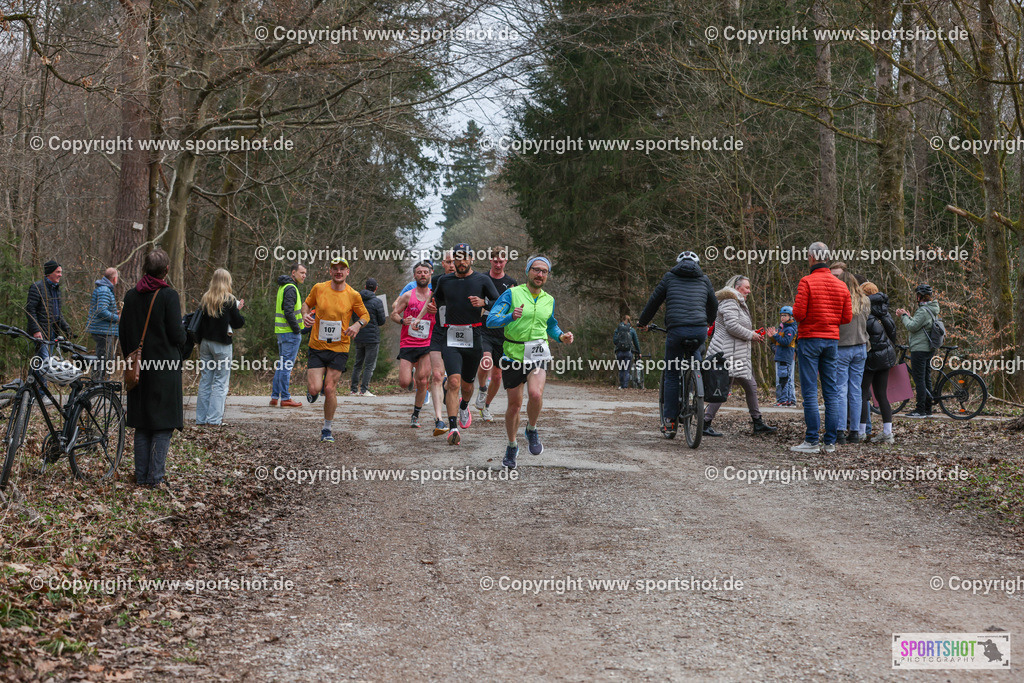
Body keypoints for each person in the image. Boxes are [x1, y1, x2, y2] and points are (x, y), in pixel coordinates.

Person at [487, 256, 573, 468]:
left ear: (547, 275)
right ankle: (512, 444)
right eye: (536, 270)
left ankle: (532, 429)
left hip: (538, 353)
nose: (540, 274)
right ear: (528, 271)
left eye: (544, 271)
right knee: (514, 405)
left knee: (535, 393)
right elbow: (491, 320)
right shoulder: (512, 294)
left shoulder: (549, 300)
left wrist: (561, 336)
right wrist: (509, 318)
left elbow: (550, 324)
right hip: (513, 355)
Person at [414, 243, 499, 445]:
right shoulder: (444, 280)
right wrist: (432, 311)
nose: (461, 262)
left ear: (471, 259)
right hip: (450, 335)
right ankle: (453, 428)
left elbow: (499, 302)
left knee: (468, 385)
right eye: (457, 258)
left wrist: (484, 303)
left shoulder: (482, 280)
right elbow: (437, 302)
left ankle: (464, 406)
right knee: (453, 381)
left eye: (464, 257)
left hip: (474, 334)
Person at [118, 249, 183, 490]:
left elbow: (123, 332)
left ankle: (142, 476)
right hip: (164, 368)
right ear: (166, 271)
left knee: (143, 423)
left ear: (145, 269)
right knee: (163, 424)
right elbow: (177, 334)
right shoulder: (169, 297)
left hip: (138, 369)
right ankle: (155, 478)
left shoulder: (131, 296)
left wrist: (132, 356)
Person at [636, 251, 717, 437]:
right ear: (697, 263)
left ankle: (670, 422)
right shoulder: (704, 279)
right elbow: (713, 306)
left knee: (672, 374)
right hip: (699, 330)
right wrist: (707, 322)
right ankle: (695, 393)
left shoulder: (670, 277)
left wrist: (642, 322)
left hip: (677, 330)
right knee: (696, 363)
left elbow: (653, 302)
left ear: (678, 263)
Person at [791, 242, 852, 453]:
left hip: (809, 339)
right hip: (832, 341)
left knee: (809, 392)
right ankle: (830, 441)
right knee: (831, 392)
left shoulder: (806, 281)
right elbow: (847, 317)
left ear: (811, 257)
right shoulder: (841, 285)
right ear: (827, 257)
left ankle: (811, 440)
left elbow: (797, 314)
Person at [302, 257, 370, 442]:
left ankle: (327, 429)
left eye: (342, 269)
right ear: (330, 272)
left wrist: (357, 325)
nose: (339, 271)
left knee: (330, 388)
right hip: (317, 345)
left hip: (340, 347)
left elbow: (365, 315)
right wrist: (305, 315)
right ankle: (313, 391)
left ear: (348, 272)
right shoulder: (319, 288)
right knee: (315, 389)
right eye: (335, 268)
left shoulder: (353, 295)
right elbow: (306, 304)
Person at [701, 275, 778, 436]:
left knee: (750, 386)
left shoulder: (737, 302)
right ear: (737, 288)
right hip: (727, 354)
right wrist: (751, 335)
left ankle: (757, 422)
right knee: (722, 390)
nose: (749, 291)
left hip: (737, 355)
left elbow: (737, 327)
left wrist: (753, 334)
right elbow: (732, 326)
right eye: (747, 288)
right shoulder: (730, 301)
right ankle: (705, 422)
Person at [195, 269, 245, 426]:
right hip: (222, 345)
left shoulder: (206, 298)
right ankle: (214, 420)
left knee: (205, 381)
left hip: (205, 344)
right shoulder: (229, 300)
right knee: (220, 382)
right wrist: (238, 310)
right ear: (227, 281)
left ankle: (201, 419)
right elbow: (238, 323)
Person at [475, 252, 517, 420]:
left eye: (501, 261)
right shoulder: (481, 279)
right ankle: (482, 388)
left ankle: (486, 406)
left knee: (498, 375)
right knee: (486, 363)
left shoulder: (511, 283)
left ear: (506, 261)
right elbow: (476, 302)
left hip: (502, 333)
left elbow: (509, 306)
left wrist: (486, 304)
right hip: (484, 329)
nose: (498, 264)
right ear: (490, 260)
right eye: (495, 261)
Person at [391, 262, 434, 427]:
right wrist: (403, 320)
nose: (422, 275)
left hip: (427, 343)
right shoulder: (408, 295)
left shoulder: (434, 296)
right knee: (404, 382)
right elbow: (394, 314)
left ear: (430, 274)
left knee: (423, 381)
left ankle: (416, 414)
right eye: (419, 272)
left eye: (425, 272)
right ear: (414, 276)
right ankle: (413, 370)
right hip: (408, 342)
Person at [860, 282, 898, 443]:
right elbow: (893, 333)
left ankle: (861, 431)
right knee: (882, 394)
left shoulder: (865, 312)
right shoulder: (884, 311)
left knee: (862, 394)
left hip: (871, 357)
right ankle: (887, 432)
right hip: (885, 356)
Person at [834, 270, 869, 443]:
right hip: (861, 346)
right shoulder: (865, 300)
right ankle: (854, 431)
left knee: (841, 389)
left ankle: (840, 430)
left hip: (843, 347)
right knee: (856, 390)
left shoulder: (839, 300)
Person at [895, 284, 939, 418]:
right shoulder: (931, 309)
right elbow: (919, 325)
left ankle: (920, 410)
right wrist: (909, 316)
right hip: (928, 349)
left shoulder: (923, 311)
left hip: (919, 349)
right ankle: (927, 409)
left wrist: (903, 316)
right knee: (926, 378)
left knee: (919, 379)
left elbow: (912, 327)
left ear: (919, 296)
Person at [425, 251, 457, 435]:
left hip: (460, 334)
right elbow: (431, 301)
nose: (452, 265)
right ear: (442, 264)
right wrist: (430, 309)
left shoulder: (467, 280)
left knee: (454, 380)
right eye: (448, 262)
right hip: (439, 332)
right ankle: (439, 419)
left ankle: (450, 391)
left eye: (454, 261)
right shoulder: (437, 281)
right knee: (436, 375)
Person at [271, 263, 306, 407]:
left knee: (282, 365)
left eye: (305, 273)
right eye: (302, 272)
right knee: (286, 366)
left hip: (282, 333)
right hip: (290, 333)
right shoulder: (291, 288)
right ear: (293, 273)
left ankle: (275, 397)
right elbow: (288, 311)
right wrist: (297, 330)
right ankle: (285, 398)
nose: (304, 275)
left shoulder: (284, 287)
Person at [26, 260, 73, 366]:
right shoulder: (37, 287)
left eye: (61, 272)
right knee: (46, 362)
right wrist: (36, 330)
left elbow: (57, 313)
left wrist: (67, 329)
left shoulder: (56, 289)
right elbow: (30, 310)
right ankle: (43, 383)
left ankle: (32, 381)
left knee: (41, 363)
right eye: (58, 272)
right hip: (41, 333)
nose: (60, 275)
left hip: (52, 333)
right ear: (49, 273)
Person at [350, 277, 388, 396]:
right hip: (372, 338)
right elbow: (382, 321)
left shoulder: (356, 300)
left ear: (365, 287)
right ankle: (364, 390)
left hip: (359, 335)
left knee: (358, 363)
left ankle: (353, 390)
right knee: (369, 365)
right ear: (376, 289)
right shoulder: (378, 302)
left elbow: (353, 318)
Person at [87, 267, 120, 381]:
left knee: (105, 358)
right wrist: (117, 318)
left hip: (103, 330)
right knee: (104, 359)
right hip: (102, 331)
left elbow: (102, 309)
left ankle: (99, 384)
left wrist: (114, 312)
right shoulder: (104, 290)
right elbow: (101, 311)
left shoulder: (104, 289)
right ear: (114, 278)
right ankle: (98, 385)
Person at [770, 306, 798, 407]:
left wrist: (776, 336)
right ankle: (786, 400)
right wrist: (773, 337)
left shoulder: (790, 329)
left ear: (791, 317)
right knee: (783, 379)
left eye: (785, 315)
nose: (782, 317)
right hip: (780, 356)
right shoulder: (782, 328)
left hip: (786, 357)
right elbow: (778, 342)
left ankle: (785, 400)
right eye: (781, 315)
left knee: (785, 379)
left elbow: (786, 342)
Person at [613, 315, 640, 390]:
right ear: (629, 321)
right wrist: (639, 352)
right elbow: (636, 342)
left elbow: (614, 341)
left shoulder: (618, 329)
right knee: (627, 370)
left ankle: (621, 386)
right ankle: (625, 386)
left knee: (621, 369)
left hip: (619, 352)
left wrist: (619, 344)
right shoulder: (632, 330)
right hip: (628, 352)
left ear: (622, 320)